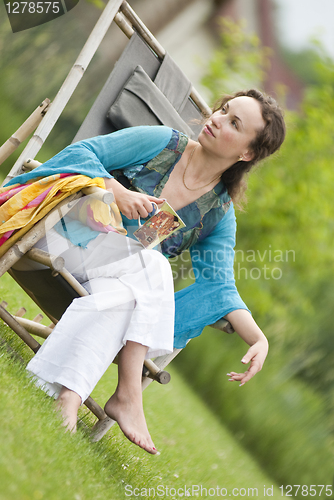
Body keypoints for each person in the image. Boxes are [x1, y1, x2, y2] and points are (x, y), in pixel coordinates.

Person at [6, 89, 286, 454]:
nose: (216, 118)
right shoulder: (161, 143)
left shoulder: (217, 213)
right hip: (52, 234)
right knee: (153, 266)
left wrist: (259, 339)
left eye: (233, 123)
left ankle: (69, 398)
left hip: (97, 276)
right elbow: (81, 154)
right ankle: (128, 393)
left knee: (124, 298)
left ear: (246, 153)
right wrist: (114, 190)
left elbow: (218, 282)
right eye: (223, 110)